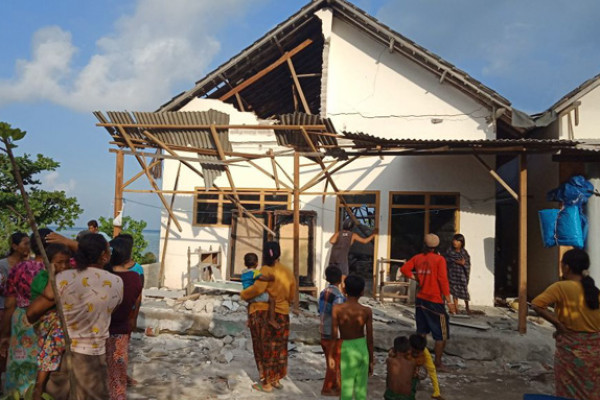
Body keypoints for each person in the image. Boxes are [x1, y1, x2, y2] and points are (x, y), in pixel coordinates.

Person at [56, 233, 124, 400]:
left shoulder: (62, 277)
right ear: (103, 256)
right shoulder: (116, 282)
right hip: (93, 353)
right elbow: (111, 310)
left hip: (61, 350)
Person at [531, 249, 600, 400]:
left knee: (569, 391)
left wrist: (558, 324)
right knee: (592, 390)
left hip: (571, 351)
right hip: (595, 352)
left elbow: (537, 304)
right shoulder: (594, 291)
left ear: (566, 267)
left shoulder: (561, 287)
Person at [240, 242, 295, 393]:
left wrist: (243, 295)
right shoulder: (288, 272)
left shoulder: (264, 270)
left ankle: (266, 383)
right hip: (283, 314)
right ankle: (276, 379)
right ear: (279, 254)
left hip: (261, 313)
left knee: (263, 348)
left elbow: (255, 290)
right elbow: (291, 296)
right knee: (279, 348)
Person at [400, 233, 456, 369]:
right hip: (435, 301)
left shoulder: (418, 258)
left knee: (421, 332)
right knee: (441, 335)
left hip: (420, 300)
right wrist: (449, 301)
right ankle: (437, 362)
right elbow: (443, 281)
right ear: (437, 246)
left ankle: (419, 360)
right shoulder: (439, 260)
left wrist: (416, 278)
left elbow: (404, 269)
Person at [27, 243, 72, 400]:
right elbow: (50, 295)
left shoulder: (66, 276)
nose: (64, 266)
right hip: (44, 320)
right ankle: (40, 384)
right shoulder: (43, 277)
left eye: (67, 262)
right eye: (59, 262)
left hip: (54, 321)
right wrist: (52, 273)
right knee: (55, 336)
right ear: (48, 264)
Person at [105, 236, 143, 400]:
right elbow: (137, 299)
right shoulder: (135, 276)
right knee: (118, 372)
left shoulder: (105, 277)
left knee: (102, 373)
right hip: (122, 329)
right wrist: (133, 318)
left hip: (101, 330)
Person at [331, 275, 374, 400]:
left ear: (344, 290)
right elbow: (370, 339)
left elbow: (334, 335)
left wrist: (332, 356)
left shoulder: (337, 309)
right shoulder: (366, 311)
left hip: (345, 347)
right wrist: (371, 359)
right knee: (361, 387)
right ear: (362, 292)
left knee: (346, 386)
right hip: (362, 348)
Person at [0, 232, 30, 390]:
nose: (28, 247)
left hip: (22, 313)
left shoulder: (29, 265)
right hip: (4, 310)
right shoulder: (3, 265)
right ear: (14, 246)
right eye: (25, 243)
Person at [318, 265, 345, 396]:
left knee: (331, 360)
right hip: (333, 334)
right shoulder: (338, 296)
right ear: (340, 280)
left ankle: (336, 385)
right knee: (334, 362)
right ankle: (328, 388)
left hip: (323, 330)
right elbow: (337, 317)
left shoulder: (323, 292)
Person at [240, 252, 278, 329]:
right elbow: (263, 278)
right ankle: (271, 319)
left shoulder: (244, 272)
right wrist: (271, 278)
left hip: (247, 295)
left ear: (245, 263)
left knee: (249, 305)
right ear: (256, 263)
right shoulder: (254, 272)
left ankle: (248, 320)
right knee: (272, 300)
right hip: (253, 294)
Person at [408, 334, 443, 400]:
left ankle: (414, 380)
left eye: (418, 353)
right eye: (414, 352)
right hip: (404, 367)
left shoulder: (425, 353)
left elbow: (432, 370)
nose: (415, 354)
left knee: (421, 372)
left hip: (415, 368)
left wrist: (436, 391)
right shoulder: (403, 348)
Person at [444, 234, 471, 314]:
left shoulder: (464, 252)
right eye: (454, 240)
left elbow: (467, 262)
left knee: (464, 291)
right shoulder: (450, 251)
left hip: (462, 275)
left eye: (457, 241)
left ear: (461, 243)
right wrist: (457, 261)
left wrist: (463, 263)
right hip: (453, 275)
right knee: (454, 291)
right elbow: (447, 259)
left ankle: (467, 308)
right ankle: (456, 308)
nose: (455, 242)